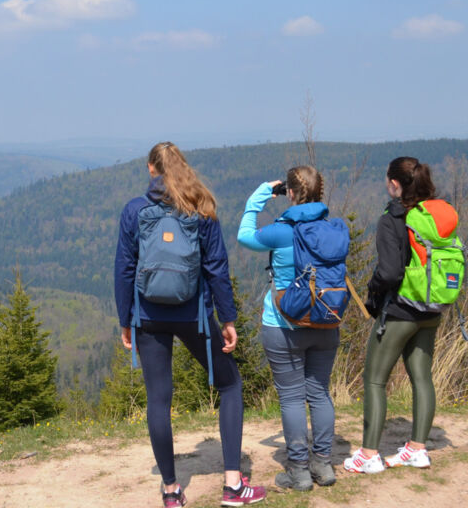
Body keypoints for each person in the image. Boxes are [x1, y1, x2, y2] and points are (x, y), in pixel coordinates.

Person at [115, 142, 266, 508]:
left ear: (152, 169)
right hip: (193, 316)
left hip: (148, 317)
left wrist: (125, 321)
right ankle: (233, 485)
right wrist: (227, 319)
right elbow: (217, 269)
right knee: (230, 384)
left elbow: (124, 269)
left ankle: (170, 491)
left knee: (158, 401)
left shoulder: (135, 211)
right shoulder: (202, 210)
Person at [236, 166, 339, 491]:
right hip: (325, 319)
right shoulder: (331, 230)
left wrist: (261, 194)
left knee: (292, 399)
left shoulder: (282, 231)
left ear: (290, 193)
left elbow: (244, 235)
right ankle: (323, 465)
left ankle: (299, 472)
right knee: (320, 394)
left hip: (283, 324)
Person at [344, 156, 443, 474]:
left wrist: (372, 293)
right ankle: (417, 449)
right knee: (422, 377)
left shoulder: (392, 219)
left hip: (400, 311)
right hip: (432, 309)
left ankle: (369, 454)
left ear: (394, 184)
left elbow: (388, 273)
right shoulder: (432, 215)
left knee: (374, 380)